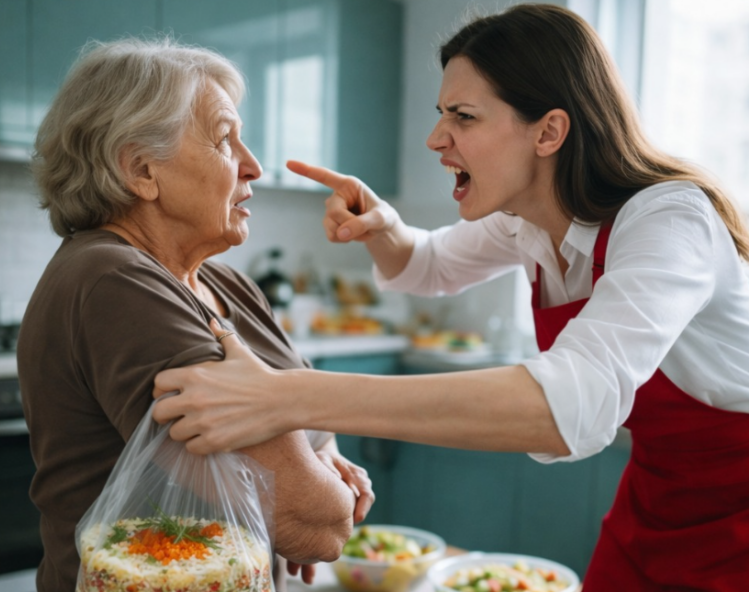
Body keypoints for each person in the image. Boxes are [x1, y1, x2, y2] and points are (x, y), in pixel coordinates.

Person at [151, 4, 749, 591]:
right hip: (656, 502)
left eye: (463, 117)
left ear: (549, 132)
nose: (436, 138)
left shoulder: (671, 220)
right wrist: (383, 227)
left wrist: (289, 398)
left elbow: (566, 407)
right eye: (442, 113)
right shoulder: (530, 221)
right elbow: (425, 263)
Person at [17, 37, 374, 592]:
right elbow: (314, 524)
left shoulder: (227, 283)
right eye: (226, 139)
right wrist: (319, 494)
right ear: (140, 169)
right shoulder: (116, 282)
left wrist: (318, 468)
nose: (253, 166)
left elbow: (313, 448)